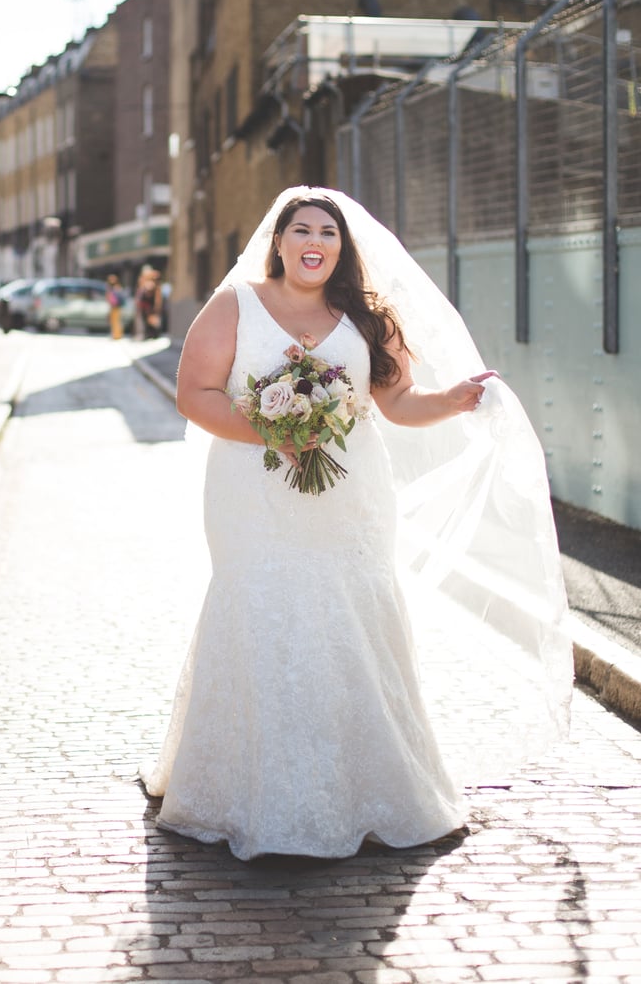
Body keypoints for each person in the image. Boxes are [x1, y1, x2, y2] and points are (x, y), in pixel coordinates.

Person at [142, 187, 572, 861]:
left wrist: (456, 399)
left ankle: (371, 784)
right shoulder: (235, 306)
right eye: (301, 229)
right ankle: (243, 787)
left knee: (353, 611)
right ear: (278, 242)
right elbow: (194, 395)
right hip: (251, 495)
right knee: (258, 604)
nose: (315, 241)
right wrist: (269, 431)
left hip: (353, 501)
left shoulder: (369, 317)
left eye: (329, 233)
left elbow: (397, 401)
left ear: (343, 248)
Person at [135, 266, 163, 340]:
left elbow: (153, 297)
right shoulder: (149, 285)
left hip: (149, 307)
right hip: (147, 306)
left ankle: (153, 335)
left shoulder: (152, 285)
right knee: (149, 321)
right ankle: (150, 335)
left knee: (152, 321)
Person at [105, 274, 124, 340]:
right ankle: (115, 334)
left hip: (116, 307)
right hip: (112, 306)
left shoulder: (117, 288)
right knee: (113, 321)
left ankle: (117, 335)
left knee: (116, 322)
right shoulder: (111, 288)